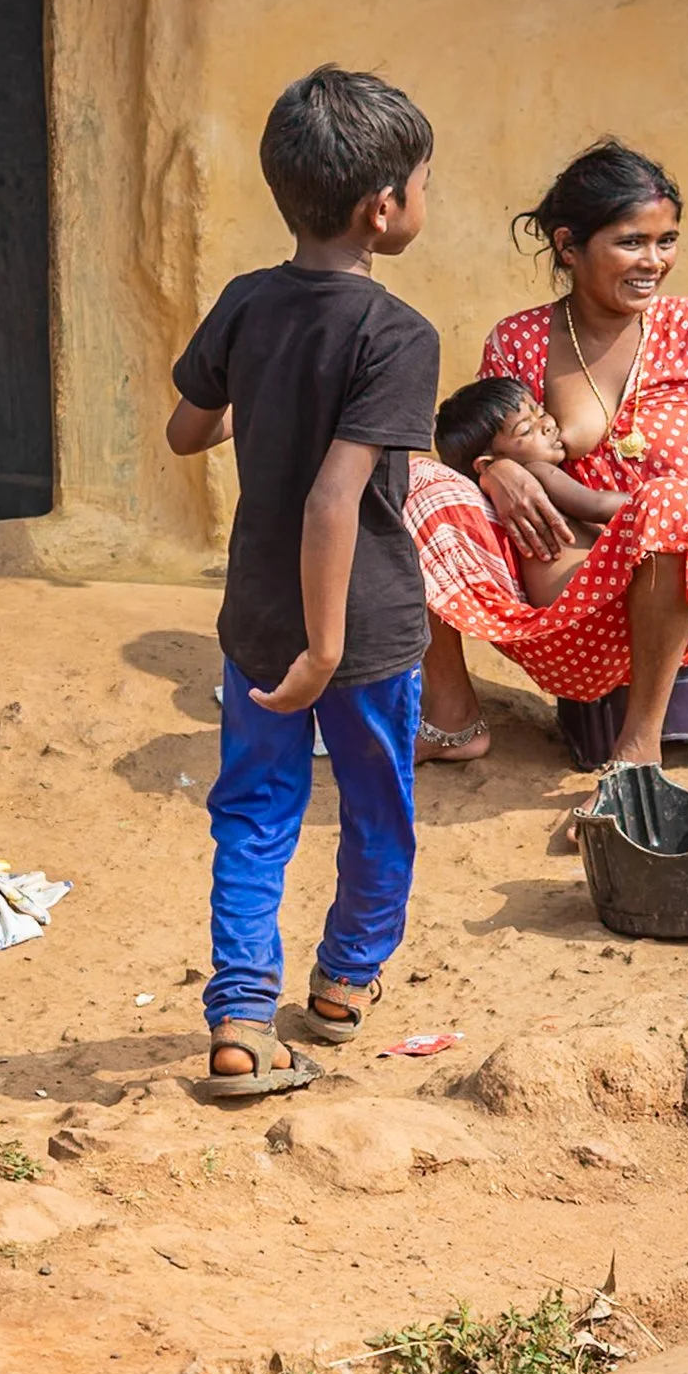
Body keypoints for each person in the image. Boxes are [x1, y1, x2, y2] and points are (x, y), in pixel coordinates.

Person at [166, 65, 442, 1098]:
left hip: (255, 620)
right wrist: (328, 649)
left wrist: (255, 401)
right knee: (376, 809)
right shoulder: (396, 334)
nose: (423, 199)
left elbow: (186, 426)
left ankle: (240, 1016)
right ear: (383, 209)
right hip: (358, 626)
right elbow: (337, 502)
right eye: (422, 183)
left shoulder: (246, 301)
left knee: (253, 812)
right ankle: (341, 988)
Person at [412, 140, 688, 767]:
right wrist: (501, 471)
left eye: (667, 241)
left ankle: (636, 751)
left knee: (670, 505)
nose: (654, 261)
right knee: (408, 479)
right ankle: (452, 716)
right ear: (569, 246)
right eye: (632, 242)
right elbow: (484, 438)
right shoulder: (519, 341)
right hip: (569, 607)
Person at [432, 376, 688, 607]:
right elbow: (600, 505)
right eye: (527, 430)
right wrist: (662, 508)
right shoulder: (534, 473)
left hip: (579, 589)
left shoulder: (514, 483)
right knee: (655, 513)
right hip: (583, 595)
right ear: (487, 463)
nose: (548, 424)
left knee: (657, 545)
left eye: (540, 412)